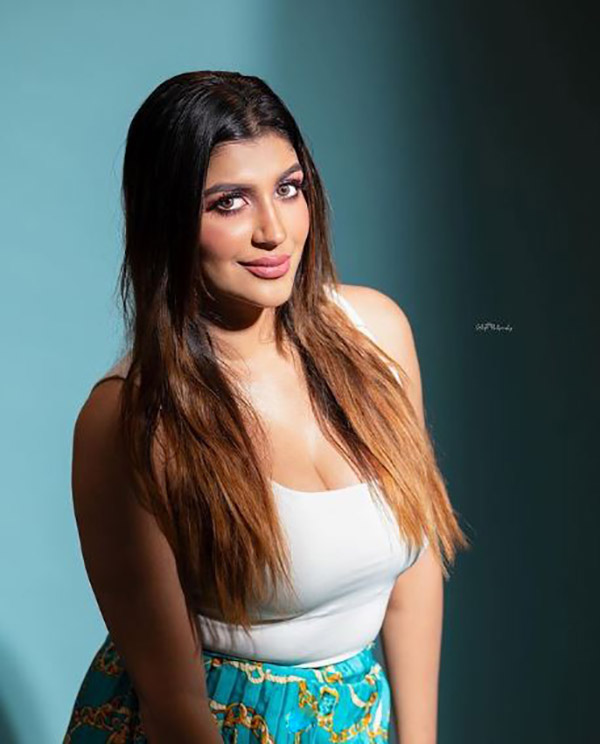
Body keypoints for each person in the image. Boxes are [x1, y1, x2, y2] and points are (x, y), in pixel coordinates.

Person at [63, 70, 469, 743]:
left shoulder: (377, 334)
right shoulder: (131, 419)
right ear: (167, 219)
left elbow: (415, 568)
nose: (274, 231)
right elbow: (174, 709)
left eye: (288, 188)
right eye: (229, 203)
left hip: (356, 722)